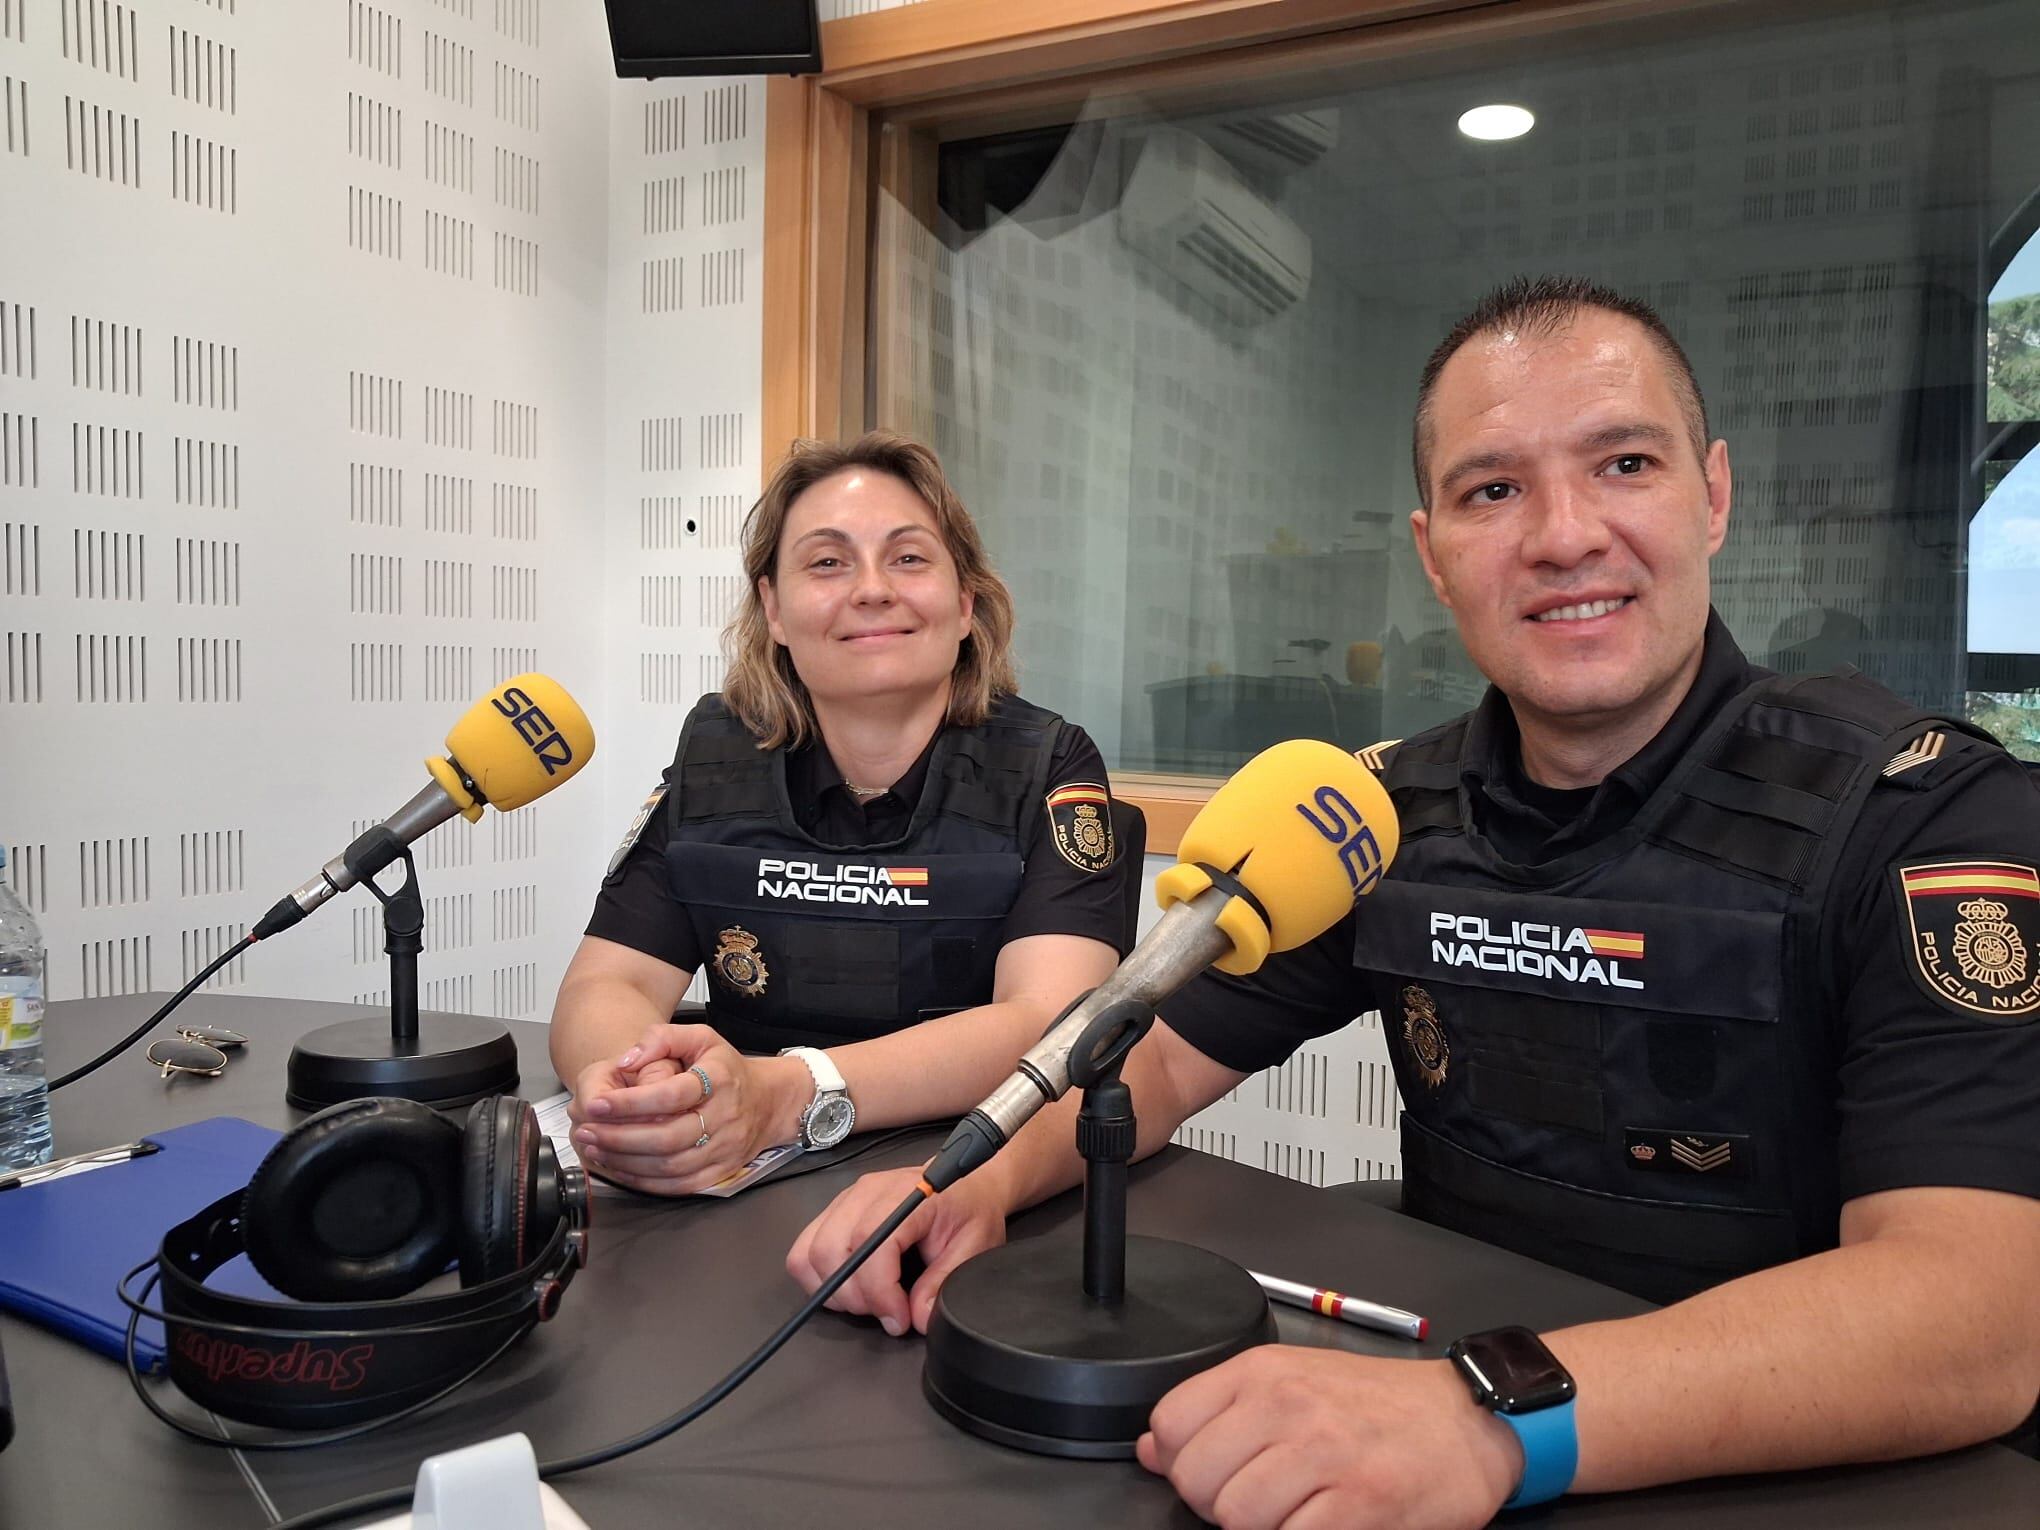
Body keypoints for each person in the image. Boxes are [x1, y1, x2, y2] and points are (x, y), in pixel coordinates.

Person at [787, 278, 2040, 1523]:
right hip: (1451, 1418)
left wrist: (1490, 1418)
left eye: (1622, 464)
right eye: (1493, 489)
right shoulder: (1375, 816)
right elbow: (1153, 1064)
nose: (1563, 535)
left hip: (1785, 1466)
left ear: (1711, 496)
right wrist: (975, 1182)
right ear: (1432, 553)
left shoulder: (1923, 817)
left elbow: (1977, 1312)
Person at [550, 432, 1133, 1213]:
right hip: (737, 1187)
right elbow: (607, 981)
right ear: (775, 610)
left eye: (909, 558)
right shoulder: (715, 755)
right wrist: (640, 1090)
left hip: (962, 1186)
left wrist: (787, 1091)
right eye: (827, 563)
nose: (871, 589)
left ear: (965, 604)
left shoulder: (1048, 764)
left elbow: (1052, 1027)